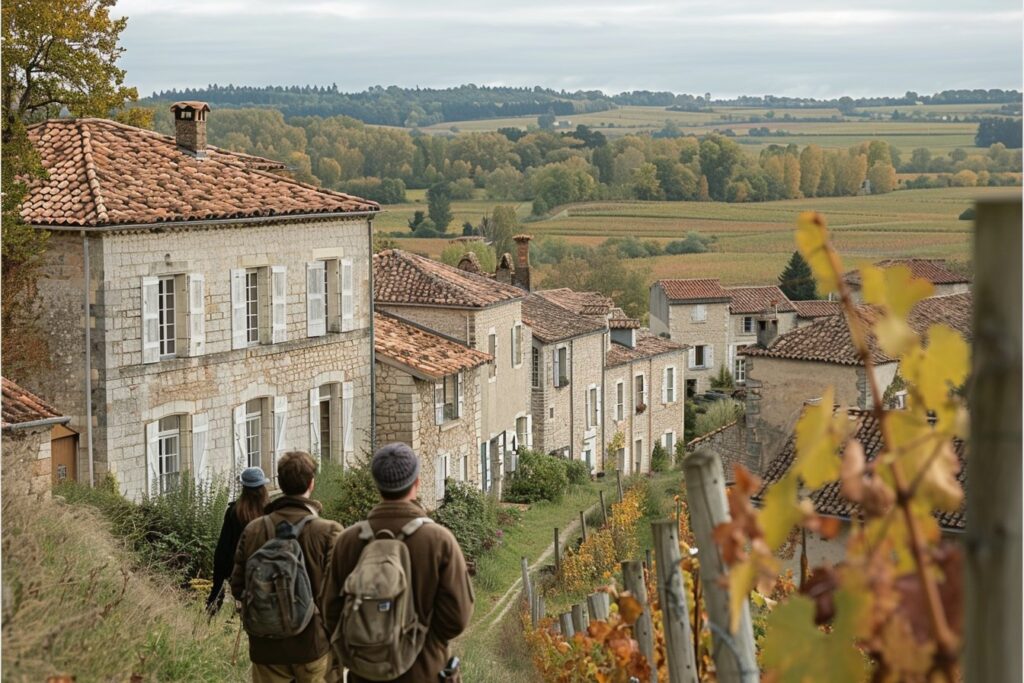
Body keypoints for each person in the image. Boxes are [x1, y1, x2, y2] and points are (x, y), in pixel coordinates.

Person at [324, 443, 474, 683]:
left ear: (377, 486)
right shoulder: (439, 540)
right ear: (417, 482)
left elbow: (331, 612)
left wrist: (367, 645)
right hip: (425, 670)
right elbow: (457, 618)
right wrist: (420, 641)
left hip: (364, 674)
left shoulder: (348, 541)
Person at [230, 451, 342, 683]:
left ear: (279, 483)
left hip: (266, 648)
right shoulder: (328, 531)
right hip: (314, 644)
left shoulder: (253, 529)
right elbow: (340, 593)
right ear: (312, 483)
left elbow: (237, 586)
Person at [206, 467, 270, 615]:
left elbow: (224, 548)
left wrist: (218, 582)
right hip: (264, 569)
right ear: (263, 488)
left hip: (238, 568)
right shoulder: (270, 512)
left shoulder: (234, 512)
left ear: (244, 488)